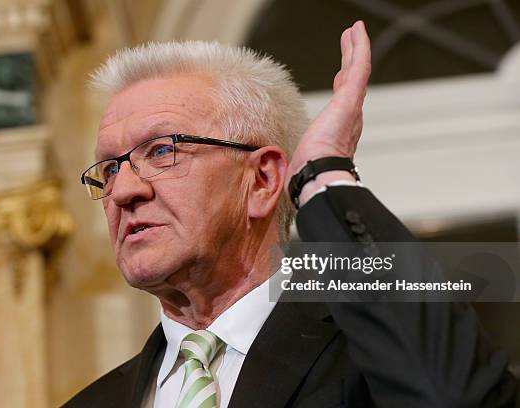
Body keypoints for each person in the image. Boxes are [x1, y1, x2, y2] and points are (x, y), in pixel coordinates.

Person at [64, 22, 518, 407]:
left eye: (162, 150)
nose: (122, 190)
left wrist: (323, 171)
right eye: (109, 168)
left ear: (262, 180)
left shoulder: (373, 358)